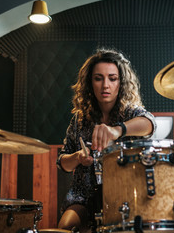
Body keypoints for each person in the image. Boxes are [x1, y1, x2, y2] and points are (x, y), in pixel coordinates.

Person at [57, 48, 156, 232]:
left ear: (121, 82)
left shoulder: (130, 112)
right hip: (84, 198)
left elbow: (150, 123)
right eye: (98, 78)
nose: (105, 85)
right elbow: (63, 163)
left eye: (112, 78)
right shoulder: (79, 120)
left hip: (126, 195)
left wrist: (117, 130)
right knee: (65, 227)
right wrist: (78, 157)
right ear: (89, 83)